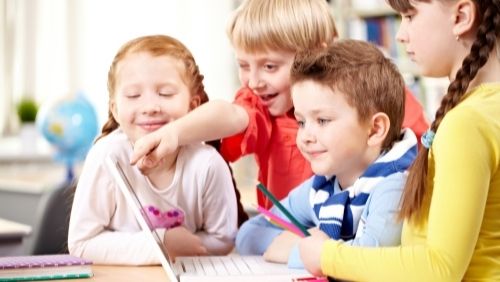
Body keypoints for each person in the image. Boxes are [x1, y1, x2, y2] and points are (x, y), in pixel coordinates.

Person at [130, 0, 428, 210]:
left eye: (270, 66)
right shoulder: (259, 105)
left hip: (357, 228)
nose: (254, 81)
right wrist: (174, 133)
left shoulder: (369, 88)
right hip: (286, 233)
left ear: (314, 56)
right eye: (244, 65)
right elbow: (229, 114)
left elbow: (421, 147)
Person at [299, 1, 500, 281]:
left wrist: (326, 256)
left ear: (461, 16)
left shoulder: (466, 124)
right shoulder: (486, 111)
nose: (399, 35)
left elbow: (439, 268)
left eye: (409, 16)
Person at [236, 40, 418, 269]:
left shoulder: (394, 186)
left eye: (322, 120)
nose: (305, 136)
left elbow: (366, 263)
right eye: (301, 121)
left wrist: (305, 251)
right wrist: (304, 246)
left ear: (375, 129)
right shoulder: (322, 188)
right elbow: (248, 235)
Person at [68, 35, 238, 265]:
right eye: (133, 95)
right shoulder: (106, 157)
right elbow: (81, 243)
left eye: (166, 93)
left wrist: (184, 247)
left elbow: (224, 240)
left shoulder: (208, 165)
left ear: (193, 106)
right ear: (115, 110)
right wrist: (161, 243)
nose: (150, 107)